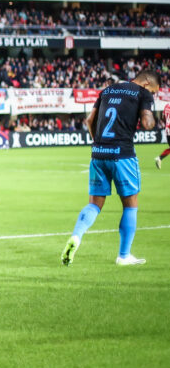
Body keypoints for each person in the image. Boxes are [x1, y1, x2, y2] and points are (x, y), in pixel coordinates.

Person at [62, 70, 159, 266]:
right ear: (147, 82)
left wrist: (98, 143)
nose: (154, 95)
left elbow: (90, 121)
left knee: (94, 204)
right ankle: (124, 255)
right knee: (130, 205)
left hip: (98, 154)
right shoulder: (142, 93)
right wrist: (158, 119)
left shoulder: (107, 90)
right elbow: (148, 124)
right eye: (155, 91)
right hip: (122, 154)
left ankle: (76, 236)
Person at [155, 101, 170, 169]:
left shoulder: (166, 106)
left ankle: (160, 158)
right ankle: (160, 158)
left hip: (167, 130)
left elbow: (163, 117)